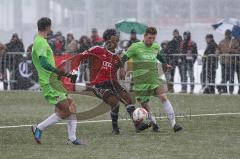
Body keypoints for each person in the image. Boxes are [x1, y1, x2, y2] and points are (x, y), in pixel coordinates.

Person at [66, 29, 151, 134]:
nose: (116, 42)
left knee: (128, 99)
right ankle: (115, 129)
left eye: (117, 40)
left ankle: (138, 125)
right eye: (114, 40)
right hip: (98, 85)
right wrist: (74, 72)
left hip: (113, 83)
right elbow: (79, 58)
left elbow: (121, 65)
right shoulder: (96, 49)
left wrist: (122, 70)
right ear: (107, 39)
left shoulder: (116, 56)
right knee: (114, 102)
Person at [31, 17, 83, 145]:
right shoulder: (40, 42)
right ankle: (39, 127)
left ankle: (72, 138)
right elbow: (43, 62)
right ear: (47, 27)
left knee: (72, 105)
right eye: (50, 26)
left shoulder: (40, 40)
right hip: (49, 83)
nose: (51, 28)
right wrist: (57, 71)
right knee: (66, 111)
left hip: (53, 81)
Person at [120, 27, 183, 132]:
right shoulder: (135, 47)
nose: (151, 40)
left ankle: (174, 124)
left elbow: (159, 56)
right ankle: (154, 124)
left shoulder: (155, 46)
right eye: (149, 38)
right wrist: (122, 69)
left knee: (163, 97)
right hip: (140, 81)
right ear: (144, 36)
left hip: (154, 77)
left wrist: (165, 63)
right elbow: (123, 58)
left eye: (153, 38)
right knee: (146, 106)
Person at [216, 30, 240, 94]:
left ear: (231, 34)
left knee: (231, 78)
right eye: (226, 34)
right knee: (224, 77)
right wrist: (218, 53)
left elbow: (238, 51)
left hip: (231, 62)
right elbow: (217, 50)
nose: (227, 35)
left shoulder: (235, 42)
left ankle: (231, 91)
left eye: (228, 34)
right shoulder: (221, 42)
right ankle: (224, 90)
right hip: (223, 62)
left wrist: (231, 50)